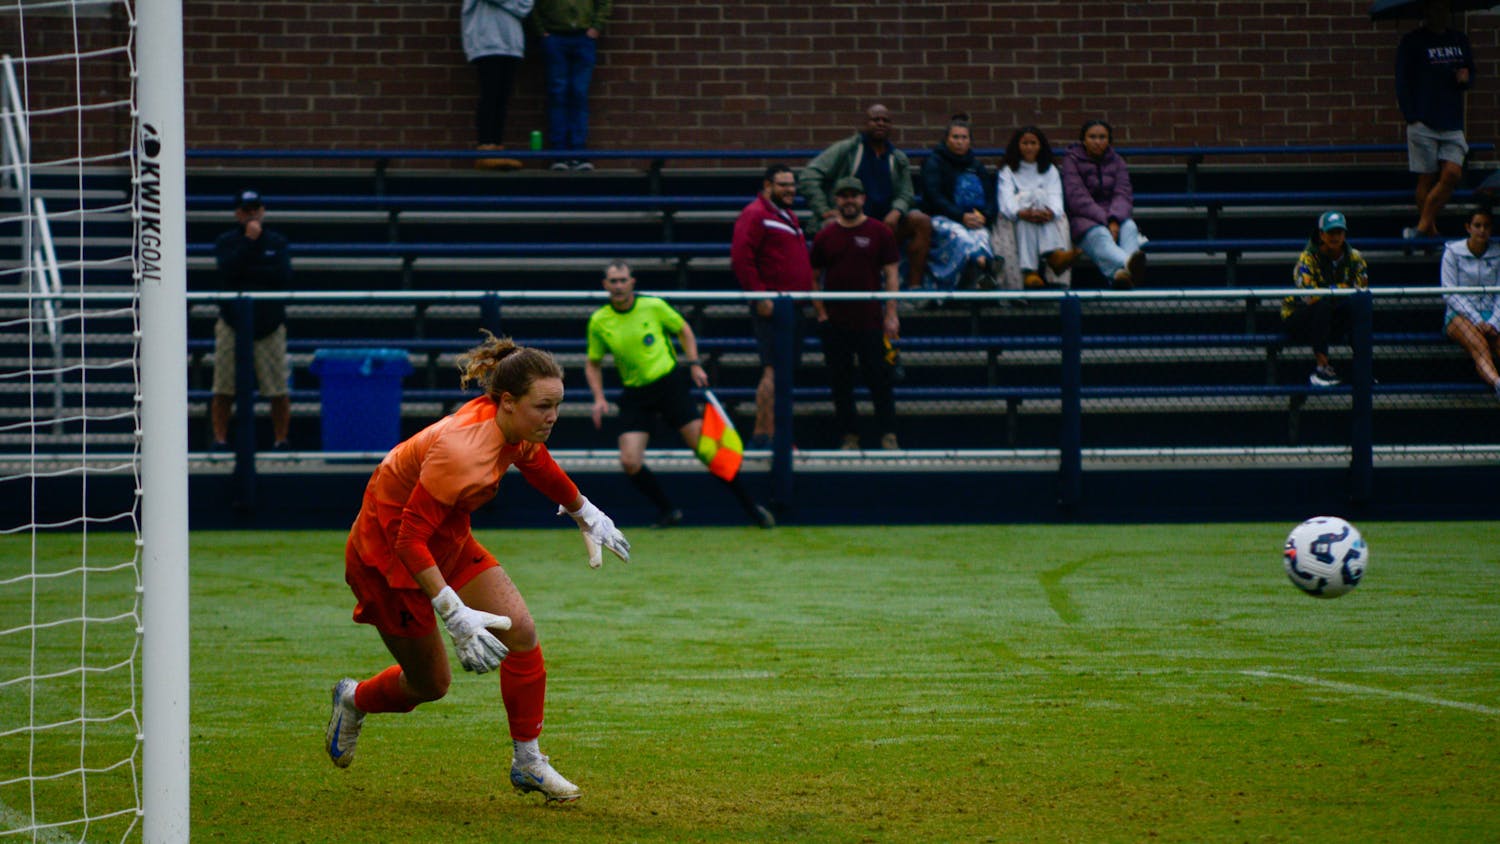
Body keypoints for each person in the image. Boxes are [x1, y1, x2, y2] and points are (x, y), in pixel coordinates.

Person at [325, 333, 631, 805]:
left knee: (522, 633)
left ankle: (528, 761)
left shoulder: (513, 427)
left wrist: (584, 511)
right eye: (543, 406)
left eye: (557, 405)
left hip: (445, 540)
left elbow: (536, 463)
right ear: (507, 402)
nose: (552, 417)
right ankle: (353, 698)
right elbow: (408, 540)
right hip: (385, 560)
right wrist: (454, 613)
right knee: (431, 685)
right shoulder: (463, 450)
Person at [585, 261, 775, 527]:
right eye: (613, 281)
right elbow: (593, 363)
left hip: (669, 385)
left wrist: (694, 363)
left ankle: (751, 507)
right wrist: (599, 397)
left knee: (708, 451)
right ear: (605, 285)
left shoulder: (653, 305)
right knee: (630, 461)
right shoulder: (599, 320)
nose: (618, 286)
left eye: (623, 280)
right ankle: (668, 511)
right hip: (635, 394)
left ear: (632, 282)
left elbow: (684, 329)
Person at [798, 104, 933, 291]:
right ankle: (832, 292)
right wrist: (824, 211)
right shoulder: (847, 149)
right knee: (831, 229)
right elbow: (809, 176)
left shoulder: (898, 158)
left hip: (885, 226)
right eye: (875, 119)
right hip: (848, 222)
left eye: (885, 120)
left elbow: (906, 193)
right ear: (865, 123)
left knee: (922, 221)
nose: (880, 123)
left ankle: (915, 289)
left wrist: (897, 210)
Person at [810, 177, 901, 451]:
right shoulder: (825, 236)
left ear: (863, 198)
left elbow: (892, 274)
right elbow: (813, 278)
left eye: (854, 196)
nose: (848, 201)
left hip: (871, 322)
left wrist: (891, 314)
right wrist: (821, 313)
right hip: (836, 324)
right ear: (836, 200)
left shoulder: (879, 232)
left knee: (880, 381)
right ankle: (849, 436)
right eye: (843, 196)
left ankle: (888, 435)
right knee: (841, 384)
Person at [730, 164, 816, 448]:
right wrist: (759, 296)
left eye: (792, 185)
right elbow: (742, 258)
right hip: (774, 305)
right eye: (783, 185)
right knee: (773, 370)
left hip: (792, 305)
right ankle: (768, 435)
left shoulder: (786, 215)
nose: (790, 190)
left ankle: (769, 433)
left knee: (782, 372)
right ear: (768, 185)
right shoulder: (756, 214)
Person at [211, 189, 292, 451]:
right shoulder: (226, 241)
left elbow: (282, 276)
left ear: (263, 210)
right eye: (246, 210)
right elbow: (228, 270)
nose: (252, 214)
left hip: (269, 325)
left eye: (256, 209)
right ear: (238, 214)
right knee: (223, 387)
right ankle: (220, 440)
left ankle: (281, 440)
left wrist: (249, 269)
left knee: (278, 388)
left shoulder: (277, 242)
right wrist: (248, 244)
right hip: (232, 324)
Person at [1396, 0, 1476, 239]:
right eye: (1434, 8)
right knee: (1427, 176)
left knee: (1452, 173)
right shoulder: (1413, 42)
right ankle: (1430, 234)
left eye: (1443, 8)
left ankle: (1420, 230)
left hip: (1451, 121)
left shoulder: (1459, 40)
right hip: (1423, 120)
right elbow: (1402, 80)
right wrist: (1411, 116)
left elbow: (1470, 71)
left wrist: (1465, 79)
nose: (1439, 13)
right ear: (1427, 12)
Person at [1283, 211, 1370, 388]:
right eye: (1331, 233)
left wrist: (1333, 292)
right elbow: (1309, 296)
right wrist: (1342, 289)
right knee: (1321, 306)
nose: (1335, 237)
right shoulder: (1307, 258)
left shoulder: (1356, 258)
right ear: (1321, 234)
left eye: (1339, 232)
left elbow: (1361, 291)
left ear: (1344, 234)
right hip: (1299, 315)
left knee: (1358, 309)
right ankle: (1321, 368)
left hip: (1334, 314)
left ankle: (1363, 369)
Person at [1060, 119, 1147, 289]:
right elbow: (1076, 197)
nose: (1097, 141)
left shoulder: (1117, 161)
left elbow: (1123, 193)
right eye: (1092, 137)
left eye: (1102, 137)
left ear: (1109, 140)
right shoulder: (1071, 160)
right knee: (1100, 233)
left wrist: (1114, 219)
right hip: (1083, 217)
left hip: (1115, 215)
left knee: (1129, 226)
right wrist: (1106, 222)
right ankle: (1130, 263)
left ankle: (1120, 275)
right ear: (1083, 140)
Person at [994, 125, 1081, 290]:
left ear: (1040, 146)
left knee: (1040, 197)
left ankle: (1032, 270)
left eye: (1033, 143)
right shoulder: (1008, 170)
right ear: (1017, 146)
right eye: (1025, 143)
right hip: (1019, 214)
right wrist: (1021, 212)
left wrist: (1050, 212)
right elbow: (1005, 200)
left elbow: (1056, 197)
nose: (1029, 147)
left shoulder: (1049, 169)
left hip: (1043, 216)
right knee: (1031, 203)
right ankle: (1050, 255)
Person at [920, 113, 999, 291]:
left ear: (970, 141)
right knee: (961, 237)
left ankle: (977, 283)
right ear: (947, 139)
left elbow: (990, 198)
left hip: (973, 219)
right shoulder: (934, 162)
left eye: (964, 137)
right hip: (942, 218)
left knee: (982, 236)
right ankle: (984, 267)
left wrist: (984, 216)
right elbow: (934, 196)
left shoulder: (977, 166)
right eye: (955, 137)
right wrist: (961, 216)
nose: (959, 141)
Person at [532, 0, 610, 171]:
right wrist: (542, 31)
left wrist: (596, 27)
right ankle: (558, 154)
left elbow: (605, 3)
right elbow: (532, 5)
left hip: (583, 37)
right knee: (558, 94)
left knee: (579, 93)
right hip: (555, 36)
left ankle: (578, 152)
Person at [462, 0, 534, 171]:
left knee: (502, 97)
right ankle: (485, 146)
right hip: (486, 41)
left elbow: (526, 5)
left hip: (511, 43)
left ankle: (496, 146)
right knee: (490, 94)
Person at [1440, 206, 1500, 398]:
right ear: (1468, 227)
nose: (1482, 230)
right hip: (1459, 315)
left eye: (1486, 226)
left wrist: (1493, 322)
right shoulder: (1452, 252)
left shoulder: (1499, 253)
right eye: (1477, 225)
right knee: (1478, 343)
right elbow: (1450, 293)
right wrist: (1476, 319)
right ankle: (1498, 383)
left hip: (1492, 314)